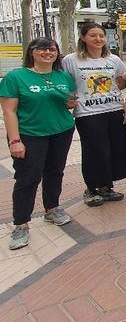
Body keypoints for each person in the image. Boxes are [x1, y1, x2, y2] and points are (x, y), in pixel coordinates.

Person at [1, 38, 77, 250]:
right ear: (31, 52)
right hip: (29, 134)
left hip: (61, 130)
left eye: (52, 49)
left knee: (55, 172)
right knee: (28, 177)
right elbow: (9, 111)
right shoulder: (16, 77)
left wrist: (70, 103)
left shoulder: (63, 76)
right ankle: (21, 224)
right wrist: (15, 140)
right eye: (42, 49)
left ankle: (52, 209)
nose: (48, 52)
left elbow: (69, 101)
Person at [62, 22, 126, 208]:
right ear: (83, 37)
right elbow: (65, 84)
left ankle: (106, 187)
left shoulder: (113, 60)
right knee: (95, 151)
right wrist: (67, 100)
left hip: (114, 110)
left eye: (101, 36)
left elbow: (121, 83)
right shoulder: (71, 60)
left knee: (114, 149)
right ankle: (91, 189)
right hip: (88, 113)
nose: (98, 39)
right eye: (93, 35)